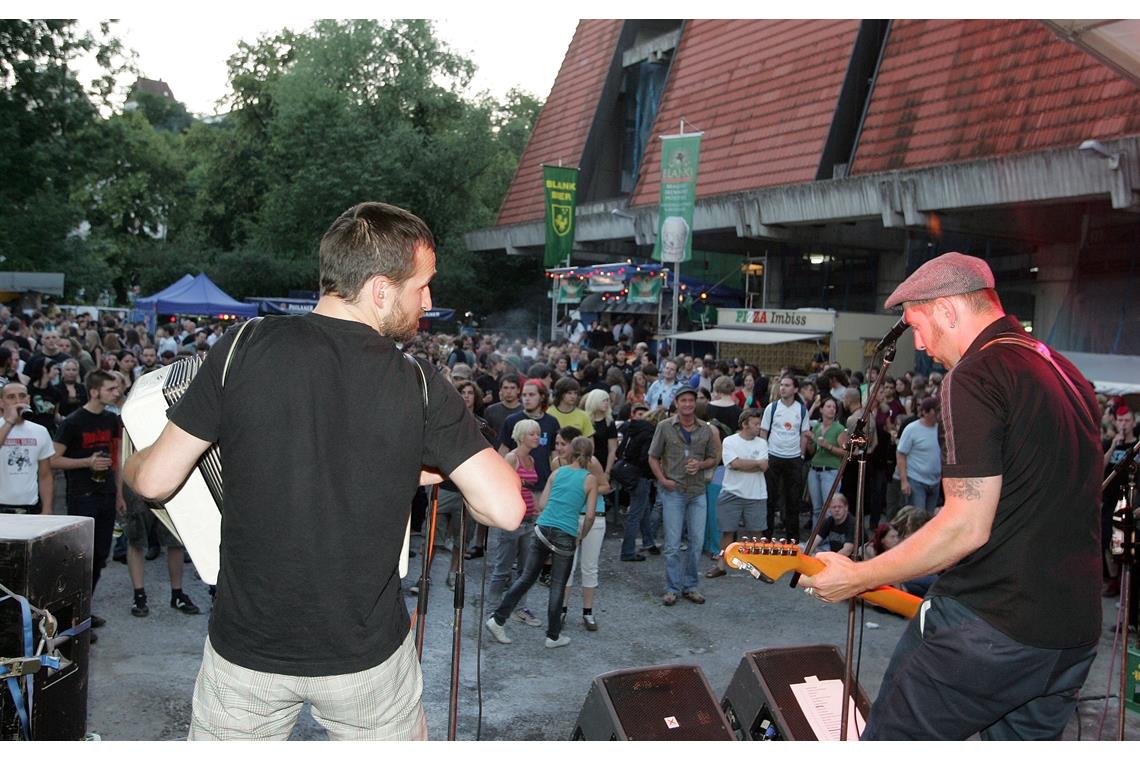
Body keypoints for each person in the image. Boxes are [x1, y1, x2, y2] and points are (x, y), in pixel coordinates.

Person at [124, 201, 524, 740]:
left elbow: (154, 481)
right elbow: (505, 508)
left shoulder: (242, 346)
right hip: (368, 662)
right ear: (380, 289)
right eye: (422, 285)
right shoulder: (420, 382)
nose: (428, 300)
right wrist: (446, 477)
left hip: (247, 653)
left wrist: (131, 459)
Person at [801, 252, 1102, 740]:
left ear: (948, 310)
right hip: (1071, 635)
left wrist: (858, 576)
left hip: (991, 626)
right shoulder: (1064, 372)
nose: (919, 343)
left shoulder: (976, 374)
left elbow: (966, 525)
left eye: (917, 326)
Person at [486, 436, 598, 649]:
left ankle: (498, 619)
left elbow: (544, 503)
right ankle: (553, 636)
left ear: (571, 452)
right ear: (590, 455)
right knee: (557, 585)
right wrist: (582, 534)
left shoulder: (557, 473)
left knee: (526, 577)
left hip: (542, 529)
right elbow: (590, 515)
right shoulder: (589, 479)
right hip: (565, 533)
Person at [51, 369, 123, 639]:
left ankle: (83, 610)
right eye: (110, 389)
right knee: (82, 559)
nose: (116, 393)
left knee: (100, 557)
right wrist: (86, 462)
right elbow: (53, 460)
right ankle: (72, 618)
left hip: (105, 495)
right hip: (82, 496)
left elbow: (115, 458)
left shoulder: (111, 420)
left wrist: (118, 495)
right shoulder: (73, 422)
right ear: (94, 391)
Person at [647, 386, 720, 606]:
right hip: (673, 491)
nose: (688, 404)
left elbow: (714, 458)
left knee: (697, 542)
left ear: (695, 403)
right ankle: (672, 588)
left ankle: (690, 585)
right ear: (676, 403)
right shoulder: (664, 427)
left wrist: (701, 465)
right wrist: (663, 480)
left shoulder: (706, 429)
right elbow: (652, 457)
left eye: (691, 400)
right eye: (683, 401)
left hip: (697, 491)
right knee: (672, 543)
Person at [485, 418, 544, 628]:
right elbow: (501, 485)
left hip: (528, 519)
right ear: (521, 436)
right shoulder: (512, 458)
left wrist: (535, 505)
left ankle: (519, 608)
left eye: (537, 433)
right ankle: (493, 609)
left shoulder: (531, 460)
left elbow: (527, 488)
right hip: (512, 520)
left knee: (525, 570)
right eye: (532, 433)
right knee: (503, 567)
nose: (537, 437)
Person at [706, 408, 768, 577]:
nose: (759, 427)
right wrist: (754, 464)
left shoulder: (762, 443)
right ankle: (721, 565)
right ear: (744, 424)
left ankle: (759, 566)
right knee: (727, 531)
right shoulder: (730, 441)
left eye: (759, 423)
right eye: (755, 424)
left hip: (756, 494)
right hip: (731, 492)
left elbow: (764, 466)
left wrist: (744, 464)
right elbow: (733, 464)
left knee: (756, 532)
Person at [759, 373, 811, 541]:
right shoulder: (772, 408)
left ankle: (792, 539)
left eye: (787, 385)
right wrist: (763, 452)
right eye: (782, 385)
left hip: (794, 458)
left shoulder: (801, 410)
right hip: (773, 456)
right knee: (769, 499)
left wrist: (802, 454)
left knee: (792, 501)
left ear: (795, 389)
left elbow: (804, 433)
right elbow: (764, 431)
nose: (783, 388)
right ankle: (766, 538)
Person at [0, 383, 54, 515]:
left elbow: (45, 475)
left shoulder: (40, 431)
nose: (18, 401)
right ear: (1, 402)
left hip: (30, 507)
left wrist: (47, 508)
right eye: (11, 397)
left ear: (28, 400)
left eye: (22, 396)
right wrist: (10, 422)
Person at [805, 396, 846, 526]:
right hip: (814, 469)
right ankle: (816, 541)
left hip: (830, 471)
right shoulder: (817, 427)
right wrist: (810, 441)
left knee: (828, 508)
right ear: (821, 410)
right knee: (816, 509)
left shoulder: (839, 429)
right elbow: (812, 452)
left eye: (834, 407)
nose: (832, 409)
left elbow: (846, 452)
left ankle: (827, 540)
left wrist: (829, 446)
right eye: (828, 406)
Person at [895, 397, 942, 513]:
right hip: (916, 481)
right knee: (918, 518)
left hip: (935, 482)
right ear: (926, 412)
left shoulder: (941, 429)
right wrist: (904, 481)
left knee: (930, 518)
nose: (939, 414)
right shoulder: (912, 429)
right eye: (936, 411)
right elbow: (901, 454)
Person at [807, 492, 855, 557]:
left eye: (840, 507)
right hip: (835, 556)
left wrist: (830, 561)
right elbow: (812, 542)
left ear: (846, 508)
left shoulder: (852, 523)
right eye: (834, 507)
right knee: (801, 547)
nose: (837, 510)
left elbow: (847, 550)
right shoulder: (829, 521)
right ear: (829, 509)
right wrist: (807, 553)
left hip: (851, 561)